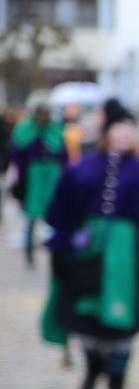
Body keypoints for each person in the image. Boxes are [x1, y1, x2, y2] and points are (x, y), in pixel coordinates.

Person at [42, 98, 139, 389]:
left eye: (131, 128)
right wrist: (59, 247)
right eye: (120, 127)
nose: (126, 134)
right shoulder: (81, 170)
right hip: (88, 257)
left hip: (132, 260)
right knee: (85, 320)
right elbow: (62, 213)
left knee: (122, 325)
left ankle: (117, 384)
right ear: (107, 131)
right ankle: (92, 366)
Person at [10, 104, 67, 267]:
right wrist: (22, 177)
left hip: (51, 175)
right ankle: (29, 252)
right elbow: (17, 155)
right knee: (31, 216)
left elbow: (63, 156)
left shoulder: (55, 131)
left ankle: (57, 250)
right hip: (33, 176)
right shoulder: (25, 131)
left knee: (55, 212)